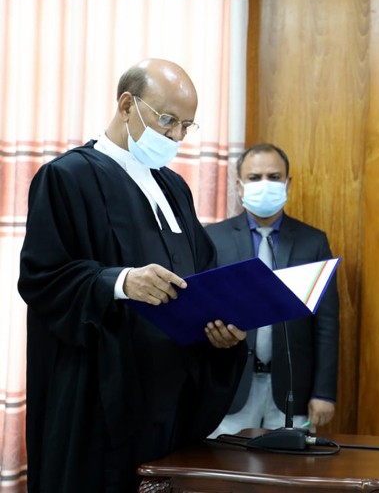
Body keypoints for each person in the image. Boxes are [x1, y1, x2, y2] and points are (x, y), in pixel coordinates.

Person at [18, 59, 247, 492]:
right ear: (127, 105)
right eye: (168, 120)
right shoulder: (66, 177)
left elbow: (204, 270)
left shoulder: (173, 188)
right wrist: (121, 282)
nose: (177, 136)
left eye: (186, 125)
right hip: (101, 404)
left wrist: (225, 326)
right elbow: (40, 278)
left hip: (170, 401)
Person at [207, 143, 339, 436]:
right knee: (227, 473)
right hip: (230, 389)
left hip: (293, 391)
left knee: (289, 475)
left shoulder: (313, 241)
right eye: (254, 178)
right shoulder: (213, 239)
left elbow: (327, 324)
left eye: (274, 176)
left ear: (287, 184)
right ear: (239, 186)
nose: (264, 184)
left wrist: (324, 392)